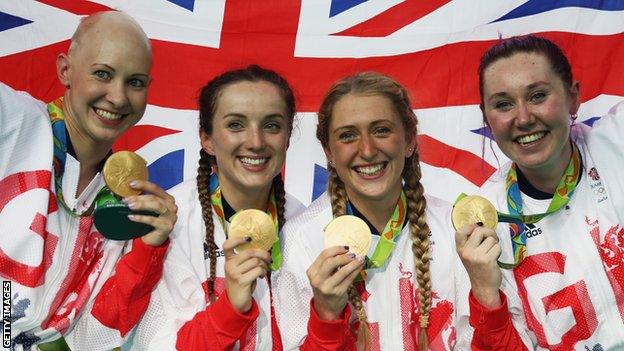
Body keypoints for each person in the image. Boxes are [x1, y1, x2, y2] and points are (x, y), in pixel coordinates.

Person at [0, 11, 177, 350]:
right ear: (65, 70)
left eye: (135, 82)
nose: (119, 97)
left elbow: (96, 337)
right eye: (102, 74)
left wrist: (148, 249)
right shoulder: (13, 121)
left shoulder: (126, 204)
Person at [273, 72, 472, 350]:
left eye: (381, 130)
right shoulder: (300, 239)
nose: (366, 150)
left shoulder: (454, 229)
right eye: (348, 135)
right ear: (328, 151)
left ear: (410, 139)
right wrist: (326, 316)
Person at [456, 35, 624, 350]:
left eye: (537, 95)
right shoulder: (483, 225)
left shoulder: (618, 143)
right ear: (487, 118)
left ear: (573, 98)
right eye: (503, 104)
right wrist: (486, 297)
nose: (522, 118)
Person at [128, 65, 305, 350]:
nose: (256, 142)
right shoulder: (171, 223)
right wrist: (230, 308)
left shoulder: (304, 226)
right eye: (236, 124)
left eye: (272, 125)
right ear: (207, 139)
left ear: (287, 137)